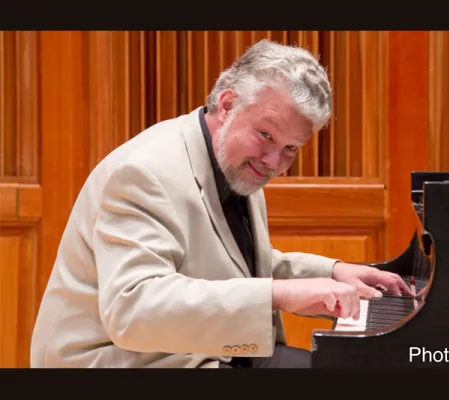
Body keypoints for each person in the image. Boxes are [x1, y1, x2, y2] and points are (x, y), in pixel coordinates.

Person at [30, 39, 412, 368]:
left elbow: (231, 264)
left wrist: (334, 272)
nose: (274, 163)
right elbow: (133, 308)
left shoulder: (237, 162)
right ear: (227, 104)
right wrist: (278, 295)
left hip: (192, 352)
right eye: (266, 135)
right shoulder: (144, 173)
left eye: (291, 148)